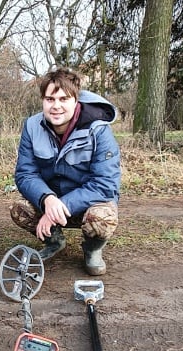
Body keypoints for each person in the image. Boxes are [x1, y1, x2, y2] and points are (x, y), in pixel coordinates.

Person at [10, 67, 121, 275]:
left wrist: (61, 205)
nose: (56, 106)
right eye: (50, 99)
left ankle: (92, 249)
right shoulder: (32, 126)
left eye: (64, 99)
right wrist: (47, 199)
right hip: (52, 201)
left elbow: (105, 184)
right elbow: (25, 174)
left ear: (76, 100)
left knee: (102, 219)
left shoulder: (99, 129)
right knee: (19, 209)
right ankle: (54, 241)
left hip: (88, 204)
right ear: (43, 100)